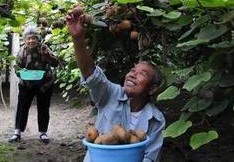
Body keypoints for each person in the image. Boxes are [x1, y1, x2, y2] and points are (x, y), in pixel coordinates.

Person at [66, 11, 165, 162]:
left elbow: (150, 158)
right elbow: (91, 74)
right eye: (132, 70)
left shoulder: (156, 120)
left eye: (142, 73)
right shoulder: (110, 94)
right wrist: (78, 38)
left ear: (152, 88)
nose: (132, 74)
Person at [8, 25, 59, 144]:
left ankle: (43, 132)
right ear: (25, 39)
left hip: (44, 83)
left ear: (38, 39)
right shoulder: (21, 51)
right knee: (22, 107)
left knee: (43, 107)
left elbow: (55, 63)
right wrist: (21, 73)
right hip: (27, 83)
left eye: (34, 38)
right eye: (28, 38)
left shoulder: (44, 48)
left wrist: (47, 55)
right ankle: (17, 132)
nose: (31, 41)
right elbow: (17, 68)